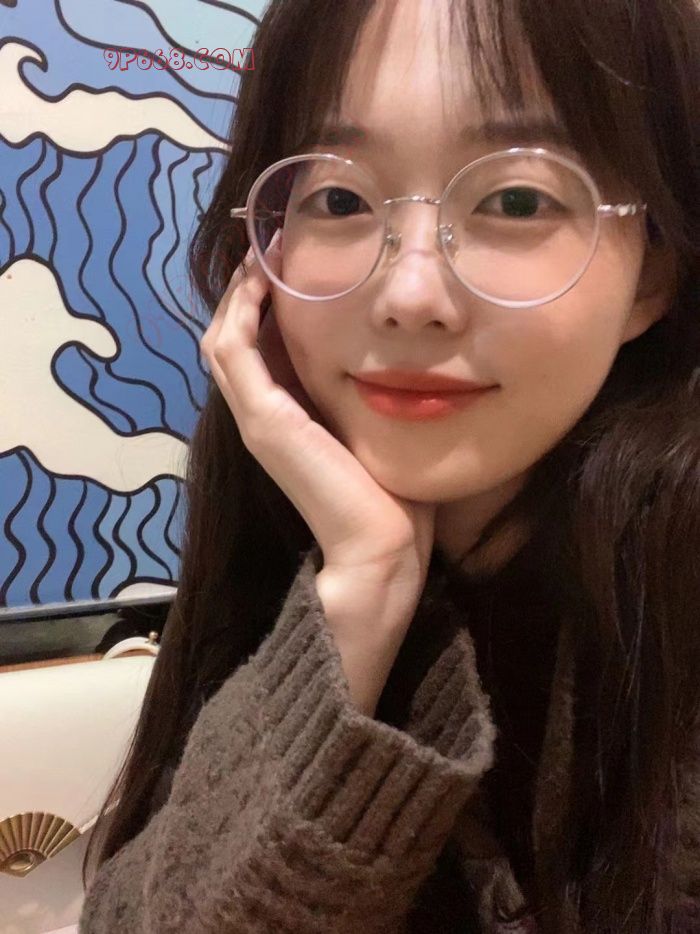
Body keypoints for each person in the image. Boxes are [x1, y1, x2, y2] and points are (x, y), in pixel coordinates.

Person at [79, 0, 700, 931]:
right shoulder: (283, 552)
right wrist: (360, 593)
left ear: (653, 272)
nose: (410, 294)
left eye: (517, 200)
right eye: (339, 200)